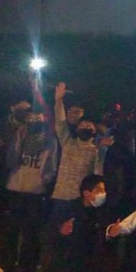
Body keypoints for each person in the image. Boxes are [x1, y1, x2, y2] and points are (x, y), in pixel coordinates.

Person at [41, 174, 119, 272]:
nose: (103, 194)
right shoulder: (69, 208)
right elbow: (46, 233)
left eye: (104, 190)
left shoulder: (102, 211)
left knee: (115, 267)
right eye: (98, 190)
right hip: (68, 258)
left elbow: (104, 236)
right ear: (86, 193)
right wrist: (60, 230)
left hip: (89, 257)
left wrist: (110, 232)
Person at [0, 110, 59, 272]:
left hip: (35, 192)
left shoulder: (50, 140)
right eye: (31, 119)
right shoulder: (20, 136)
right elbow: (10, 161)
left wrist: (42, 181)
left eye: (38, 119)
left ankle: (27, 269)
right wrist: (20, 140)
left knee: (30, 234)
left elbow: (52, 166)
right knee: (11, 233)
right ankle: (8, 269)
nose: (34, 122)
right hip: (15, 190)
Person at [51, 82, 105, 214]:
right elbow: (60, 123)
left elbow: (97, 175)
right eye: (82, 126)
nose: (85, 128)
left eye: (89, 127)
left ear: (94, 131)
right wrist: (59, 101)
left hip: (80, 200)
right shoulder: (68, 142)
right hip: (60, 195)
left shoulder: (96, 150)